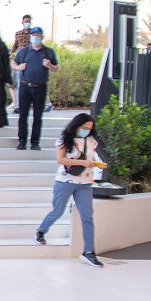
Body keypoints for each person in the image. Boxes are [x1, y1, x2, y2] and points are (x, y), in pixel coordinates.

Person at [35, 113, 104, 267]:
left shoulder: (92, 141)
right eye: (84, 127)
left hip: (85, 183)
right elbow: (60, 159)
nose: (87, 130)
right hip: (65, 181)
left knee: (87, 217)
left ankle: (89, 252)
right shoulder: (65, 138)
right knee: (57, 211)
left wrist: (96, 164)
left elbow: (92, 158)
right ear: (77, 125)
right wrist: (83, 162)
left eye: (90, 128)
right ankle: (41, 230)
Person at [12, 26, 59, 151]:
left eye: (38, 35)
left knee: (38, 117)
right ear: (30, 36)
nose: (35, 37)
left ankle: (35, 142)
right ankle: (22, 141)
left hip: (40, 87)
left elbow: (56, 68)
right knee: (23, 115)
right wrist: (18, 67)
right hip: (25, 86)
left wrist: (49, 65)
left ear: (42, 37)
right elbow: (13, 63)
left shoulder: (48, 52)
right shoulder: (24, 51)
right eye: (33, 35)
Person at [9, 14, 32, 111]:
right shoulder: (18, 34)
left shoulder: (33, 33)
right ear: (22, 22)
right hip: (20, 60)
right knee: (17, 82)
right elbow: (15, 45)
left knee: (31, 82)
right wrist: (10, 52)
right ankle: (17, 104)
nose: (28, 23)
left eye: (29, 21)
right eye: (26, 21)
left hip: (30, 60)